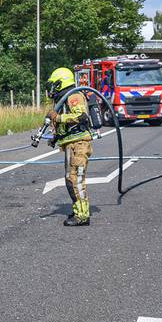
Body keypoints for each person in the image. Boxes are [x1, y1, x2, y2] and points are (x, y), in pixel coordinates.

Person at [45, 67, 96, 226]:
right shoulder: (64, 97)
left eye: (54, 85)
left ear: (60, 83)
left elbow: (80, 116)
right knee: (70, 179)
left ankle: (82, 215)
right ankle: (78, 209)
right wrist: (56, 137)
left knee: (76, 180)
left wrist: (58, 117)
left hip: (79, 144)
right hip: (71, 143)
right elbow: (67, 125)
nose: (51, 89)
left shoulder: (73, 95)